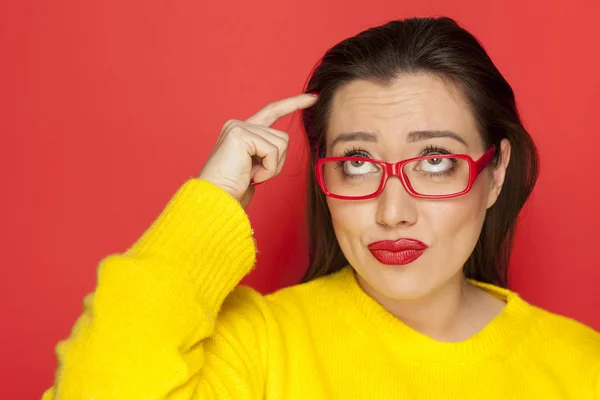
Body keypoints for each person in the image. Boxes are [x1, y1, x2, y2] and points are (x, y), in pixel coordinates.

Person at [43, 16, 599, 400]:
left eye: (434, 161)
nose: (392, 211)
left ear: (494, 172)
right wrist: (208, 202)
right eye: (357, 162)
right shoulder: (256, 345)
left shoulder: (583, 368)